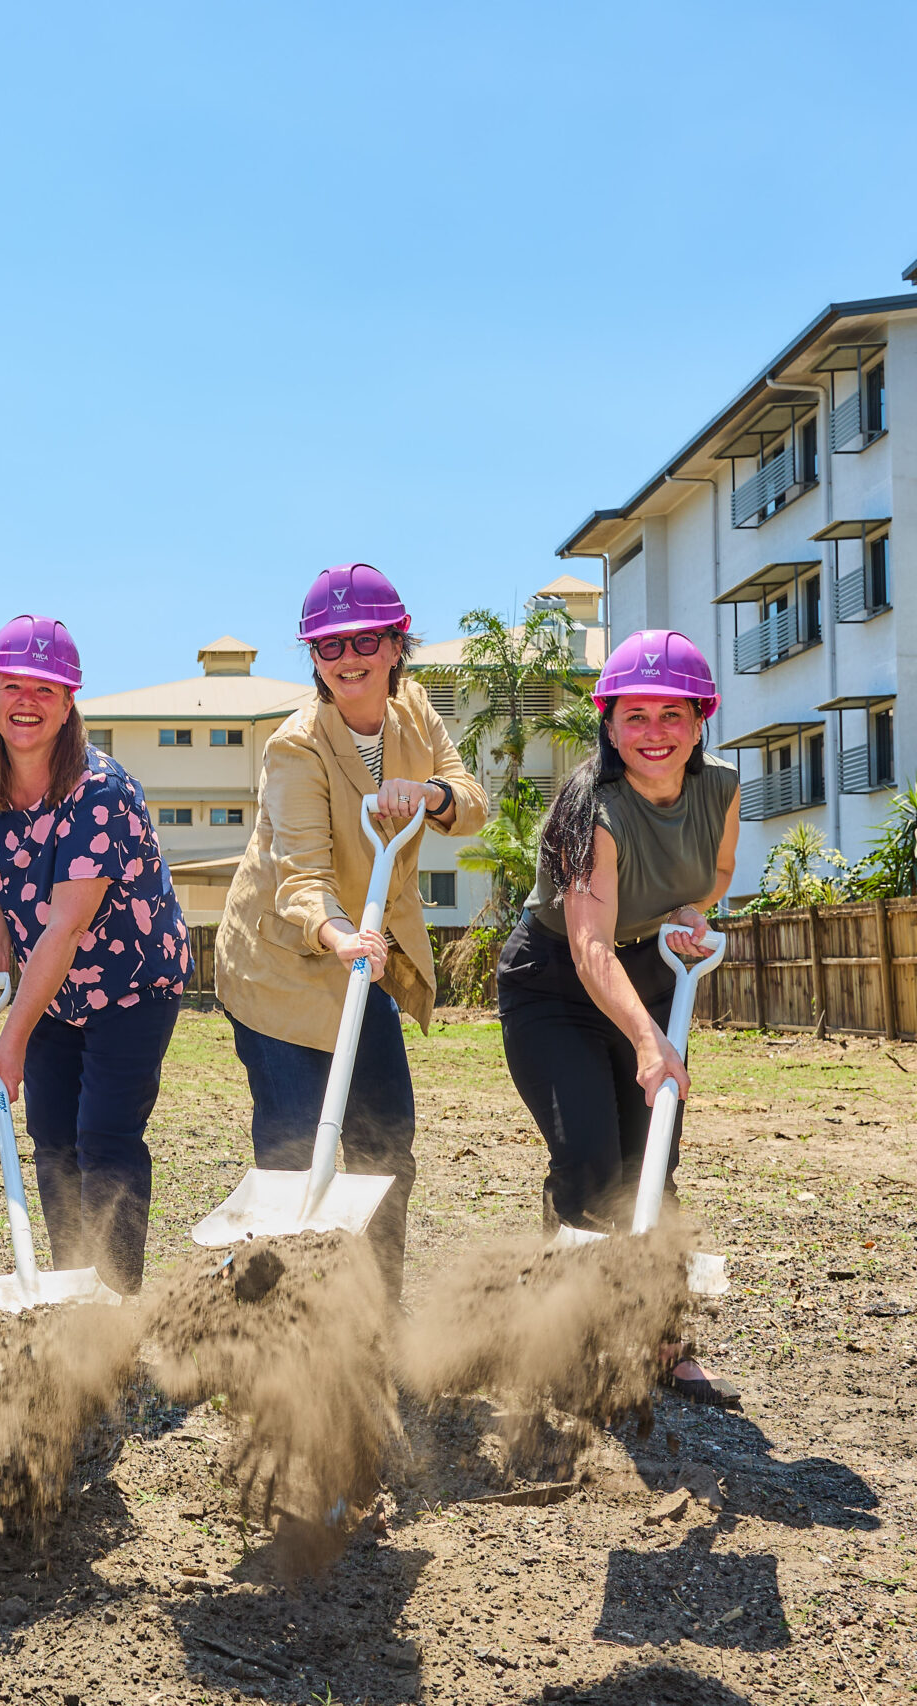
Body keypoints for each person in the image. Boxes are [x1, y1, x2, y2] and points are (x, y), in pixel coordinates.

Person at [213, 564, 485, 1299]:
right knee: (296, 1148)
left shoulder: (415, 712)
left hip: (364, 958)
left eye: (365, 640)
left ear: (396, 645)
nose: (348, 658)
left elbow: (469, 799)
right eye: (329, 645)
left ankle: (375, 1313)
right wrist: (337, 936)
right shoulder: (295, 747)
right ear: (314, 656)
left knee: (385, 1141)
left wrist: (430, 793)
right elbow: (302, 876)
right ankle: (281, 1320)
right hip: (282, 964)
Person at [496, 629, 743, 1409]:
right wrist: (646, 1040)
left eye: (672, 715)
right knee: (590, 1161)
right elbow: (588, 945)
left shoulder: (722, 787)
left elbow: (718, 871)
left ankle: (666, 1343)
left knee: (652, 1163)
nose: (654, 733)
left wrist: (690, 910)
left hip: (647, 970)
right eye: (635, 716)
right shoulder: (590, 807)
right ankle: (566, 1339)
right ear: (608, 722)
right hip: (553, 985)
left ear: (700, 720)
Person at [0, 616, 191, 1296]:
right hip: (52, 989)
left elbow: (65, 926)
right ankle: (68, 1296)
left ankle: (114, 1303)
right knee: (54, 1139)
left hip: (133, 984)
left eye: (45, 690)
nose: (26, 701)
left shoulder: (99, 792)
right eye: (12, 686)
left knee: (105, 1138)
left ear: (67, 706)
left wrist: (12, 1040)